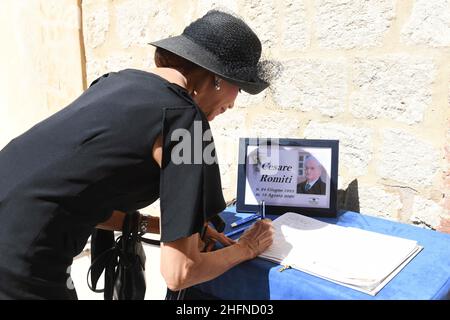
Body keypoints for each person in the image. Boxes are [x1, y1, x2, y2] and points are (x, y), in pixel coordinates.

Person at [0, 10, 275, 300]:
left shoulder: (113, 82)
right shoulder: (185, 121)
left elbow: (73, 191)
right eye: (240, 88)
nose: (233, 104)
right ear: (218, 79)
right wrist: (247, 249)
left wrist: (156, 226)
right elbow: (180, 272)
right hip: (21, 264)